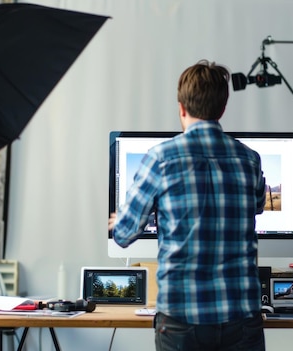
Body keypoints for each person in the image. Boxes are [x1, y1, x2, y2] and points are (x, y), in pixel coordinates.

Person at [108, 60, 266, 351]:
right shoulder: (249, 159)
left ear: (181, 107)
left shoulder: (160, 159)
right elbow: (258, 206)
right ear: (223, 107)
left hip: (181, 319)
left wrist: (120, 221)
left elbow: (124, 235)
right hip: (241, 316)